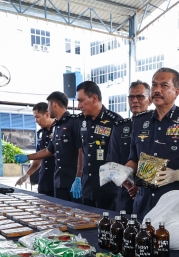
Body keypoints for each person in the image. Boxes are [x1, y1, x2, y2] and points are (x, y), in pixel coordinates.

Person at [125, 68, 179, 218]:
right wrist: (124, 172)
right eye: (154, 85)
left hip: (175, 205)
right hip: (144, 203)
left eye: (164, 85)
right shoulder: (140, 121)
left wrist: (178, 174)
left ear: (177, 92)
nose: (157, 90)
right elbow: (133, 158)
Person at [14, 91, 82, 201]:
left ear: (53, 104)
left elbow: (81, 150)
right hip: (58, 182)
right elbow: (49, 150)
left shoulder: (74, 122)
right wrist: (28, 157)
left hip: (72, 181)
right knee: (57, 215)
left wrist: (79, 176)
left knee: (74, 216)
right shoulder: (57, 127)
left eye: (48, 105)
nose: (48, 109)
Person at [75, 80, 124, 210]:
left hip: (108, 190)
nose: (79, 105)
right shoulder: (81, 121)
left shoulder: (115, 121)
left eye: (81, 100)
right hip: (87, 189)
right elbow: (83, 151)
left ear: (94, 98)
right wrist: (78, 177)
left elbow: (121, 156)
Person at [108, 80, 150, 214]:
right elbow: (112, 162)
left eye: (140, 97)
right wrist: (128, 186)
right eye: (131, 97)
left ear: (149, 100)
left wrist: (141, 186)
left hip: (150, 193)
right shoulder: (120, 127)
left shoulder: (156, 127)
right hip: (126, 192)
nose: (135, 101)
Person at [15, 102, 55, 195]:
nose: (36, 121)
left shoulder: (59, 129)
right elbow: (38, 159)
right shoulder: (41, 133)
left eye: (37, 117)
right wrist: (27, 175)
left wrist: (28, 157)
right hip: (44, 180)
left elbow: (49, 152)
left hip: (58, 180)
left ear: (47, 115)